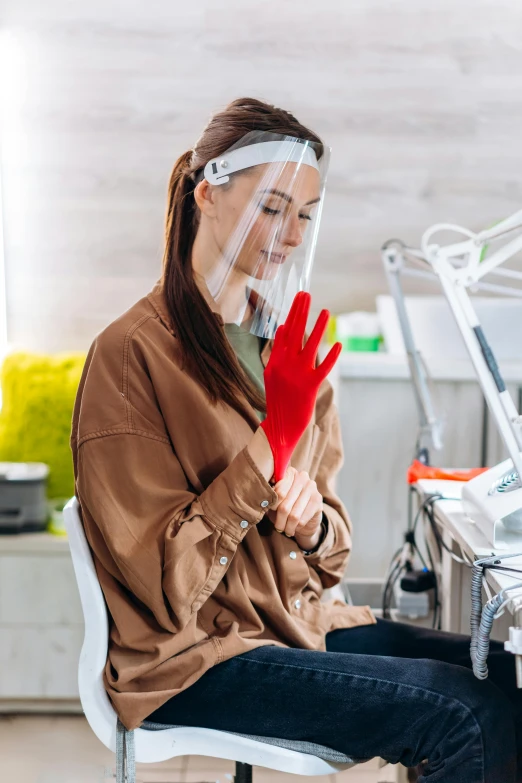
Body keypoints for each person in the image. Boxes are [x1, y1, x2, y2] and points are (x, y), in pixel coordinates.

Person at [71, 97, 522, 782]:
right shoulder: (131, 357)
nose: (289, 234)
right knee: (467, 714)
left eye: (305, 215)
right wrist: (267, 447)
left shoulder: (286, 345)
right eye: (273, 207)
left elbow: (331, 556)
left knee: (509, 676)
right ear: (207, 195)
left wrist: (312, 526)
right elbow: (166, 593)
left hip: (292, 624)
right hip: (195, 658)